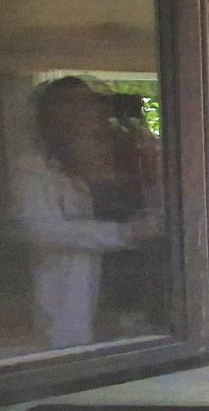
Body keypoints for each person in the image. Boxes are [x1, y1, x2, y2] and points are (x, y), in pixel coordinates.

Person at [9, 77, 162, 349]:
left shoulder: (125, 150)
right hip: (75, 301)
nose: (84, 111)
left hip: (139, 293)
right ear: (51, 116)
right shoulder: (33, 168)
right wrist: (124, 233)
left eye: (90, 102)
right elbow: (38, 228)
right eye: (70, 104)